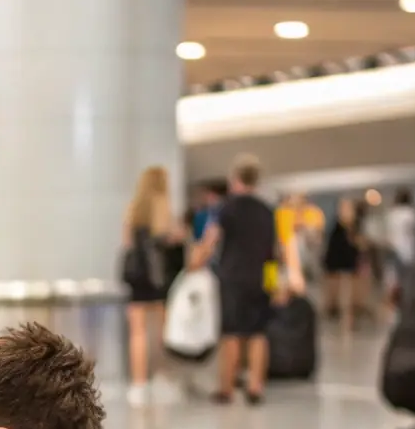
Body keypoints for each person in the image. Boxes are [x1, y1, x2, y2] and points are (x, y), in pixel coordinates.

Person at [190, 153, 303, 405]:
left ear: (235, 179)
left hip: (232, 277)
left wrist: (196, 261)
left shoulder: (226, 208)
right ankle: (255, 386)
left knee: (231, 333)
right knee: (258, 333)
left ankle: (227, 388)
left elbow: (211, 240)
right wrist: (275, 284)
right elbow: (276, 251)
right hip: (260, 278)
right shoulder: (267, 210)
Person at [121, 165, 186, 404]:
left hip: (138, 278)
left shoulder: (133, 209)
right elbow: (173, 237)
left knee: (137, 333)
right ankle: (160, 379)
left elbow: (127, 243)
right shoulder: (164, 207)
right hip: (159, 278)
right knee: (160, 333)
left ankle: (138, 385)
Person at [322, 197, 360, 337]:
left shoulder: (352, 228)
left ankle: (347, 321)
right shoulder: (338, 230)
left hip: (348, 266)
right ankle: (343, 320)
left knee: (348, 296)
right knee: (340, 295)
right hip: (338, 266)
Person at [385, 188, 415, 311]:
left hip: (394, 249)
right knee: (408, 282)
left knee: (395, 280)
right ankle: (409, 305)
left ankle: (394, 306)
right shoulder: (410, 213)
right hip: (409, 251)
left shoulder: (392, 214)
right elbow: (412, 232)